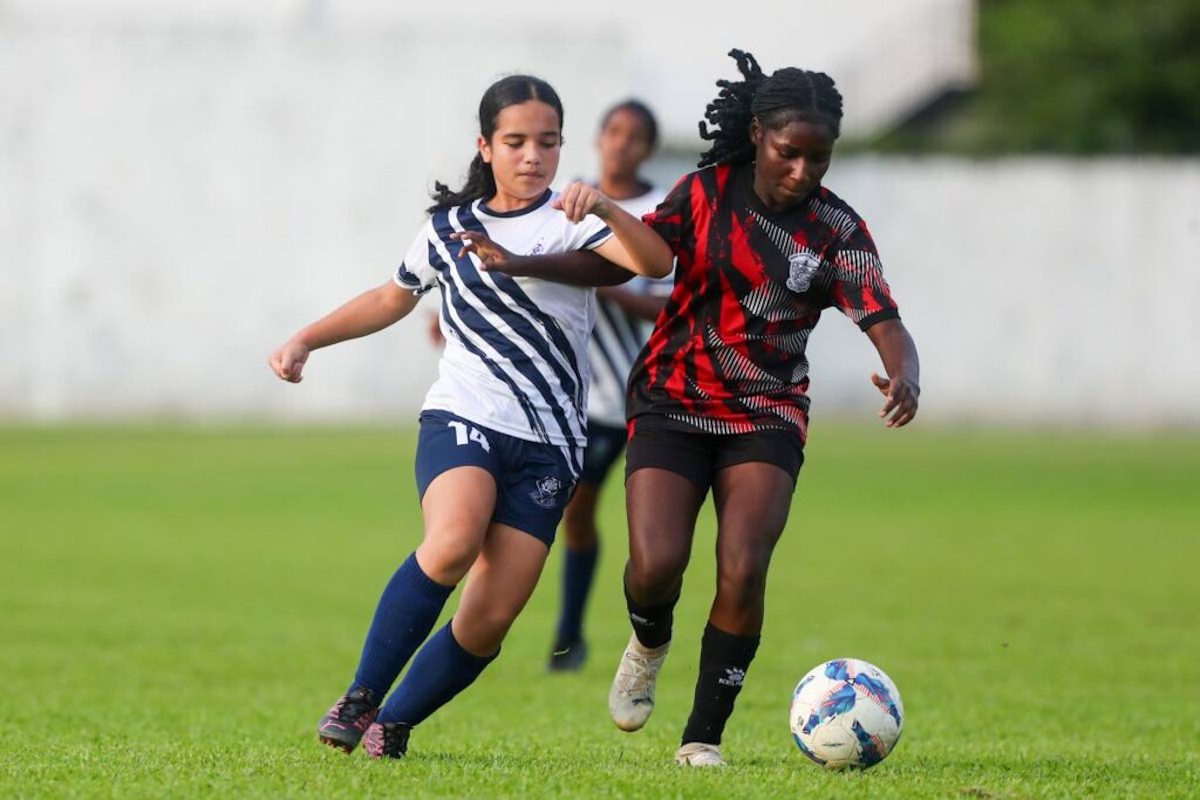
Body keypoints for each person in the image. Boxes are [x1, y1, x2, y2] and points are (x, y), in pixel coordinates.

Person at [463, 49, 921, 767]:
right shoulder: (706, 192)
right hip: (672, 400)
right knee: (655, 565)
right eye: (788, 153)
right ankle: (648, 641)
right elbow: (619, 259)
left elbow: (882, 317)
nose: (802, 171)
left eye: (818, 158)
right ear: (759, 135)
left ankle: (702, 733)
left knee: (743, 565)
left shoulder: (838, 230)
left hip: (767, 414)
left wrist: (905, 374)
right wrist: (519, 263)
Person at [267, 74, 672, 760]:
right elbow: (390, 298)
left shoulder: (575, 219)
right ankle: (361, 695)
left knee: (488, 622)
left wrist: (604, 203)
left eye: (547, 142)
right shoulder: (449, 228)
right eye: (515, 141)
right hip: (465, 415)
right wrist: (306, 338)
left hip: (550, 444)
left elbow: (655, 260)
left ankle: (391, 725)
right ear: (485, 146)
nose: (532, 156)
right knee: (453, 540)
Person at [548, 100, 673, 672]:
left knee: (637, 522)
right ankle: (569, 635)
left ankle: (622, 638)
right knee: (576, 512)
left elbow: (674, 301)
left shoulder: (659, 208)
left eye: (634, 136)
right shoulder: (570, 199)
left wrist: (605, 282)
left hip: (640, 391)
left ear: (647, 148)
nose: (621, 143)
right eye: (613, 131)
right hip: (578, 392)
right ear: (598, 139)